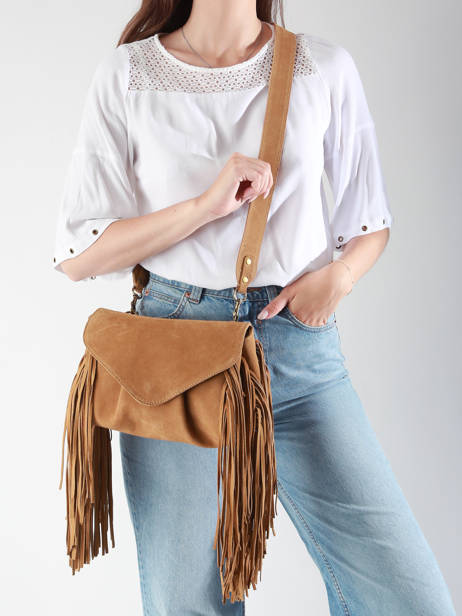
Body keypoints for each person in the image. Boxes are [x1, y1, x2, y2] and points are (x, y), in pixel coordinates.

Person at [52, 1, 457, 615]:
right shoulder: (129, 74)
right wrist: (204, 207)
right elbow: (79, 254)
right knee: (189, 605)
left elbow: (369, 220)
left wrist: (340, 276)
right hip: (175, 362)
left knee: (409, 599)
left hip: (296, 354)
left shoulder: (322, 67)